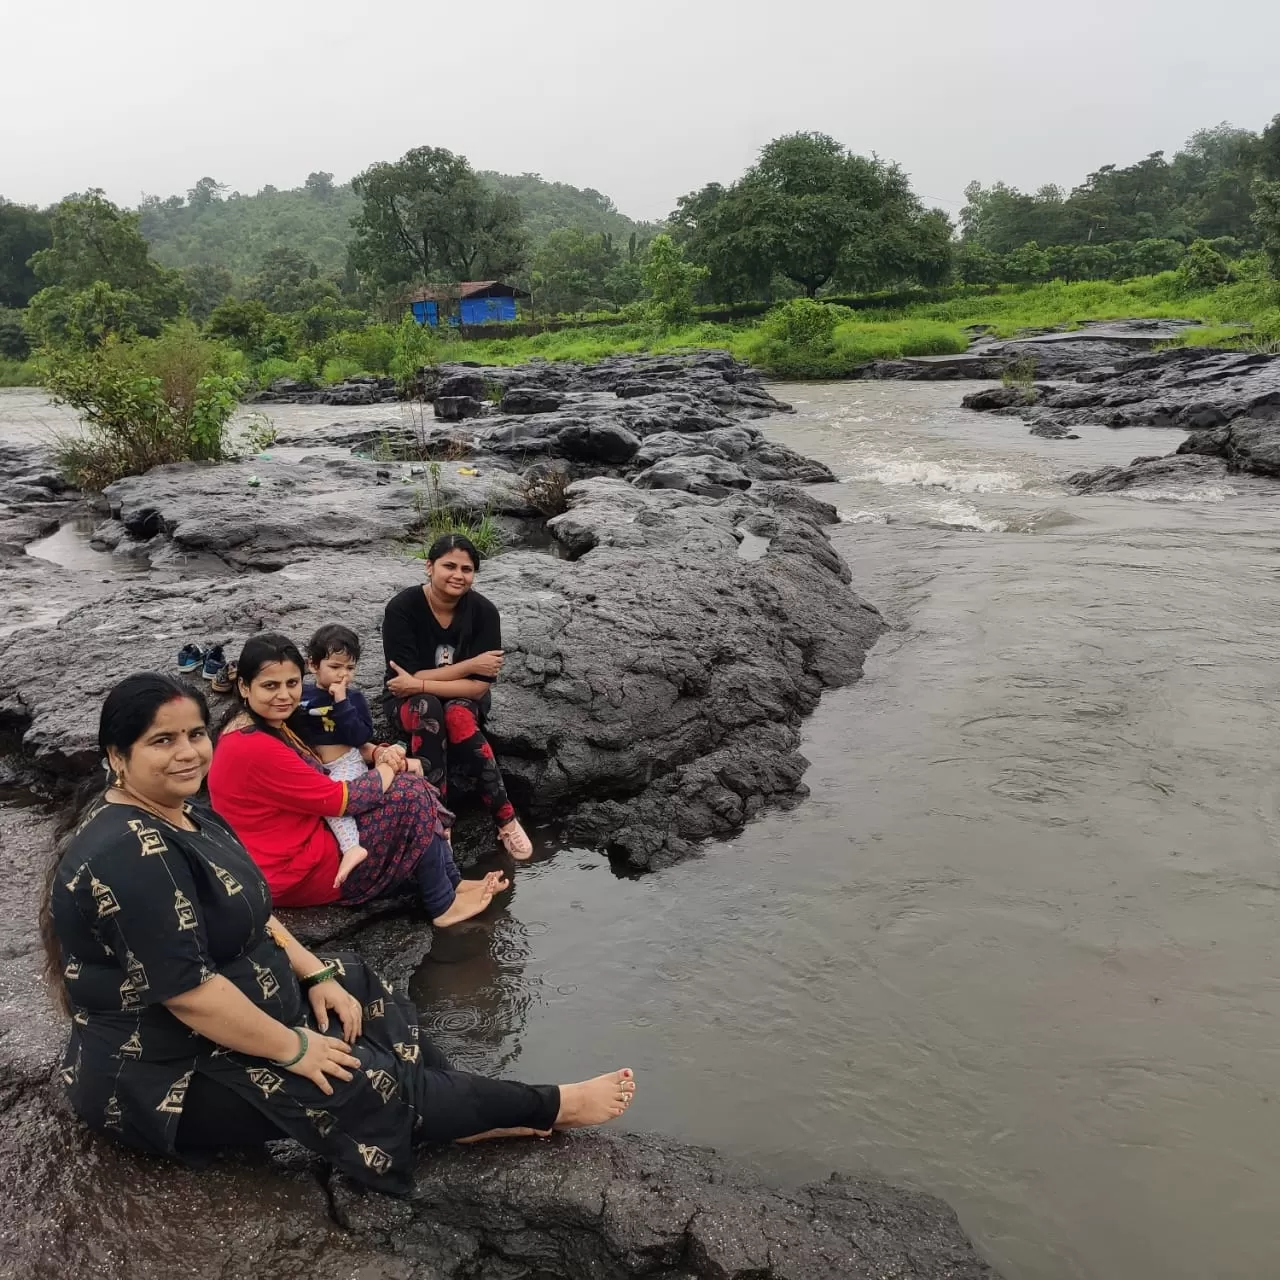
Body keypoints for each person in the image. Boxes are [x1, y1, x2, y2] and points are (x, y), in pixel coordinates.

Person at [40, 672, 637, 1193]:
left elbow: (256, 913)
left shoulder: (188, 811)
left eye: (196, 735)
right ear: (117, 755)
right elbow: (190, 995)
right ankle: (550, 1104)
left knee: (355, 982)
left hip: (238, 1009)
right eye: (162, 741)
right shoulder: (128, 852)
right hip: (168, 1069)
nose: (189, 753)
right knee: (358, 1079)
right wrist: (295, 1048)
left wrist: (314, 972)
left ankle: (452, 1107)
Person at [207, 633, 503, 927]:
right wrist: (388, 767)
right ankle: (443, 905)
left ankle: (452, 882)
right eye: (270, 686)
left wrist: (378, 754)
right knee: (409, 793)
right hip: (296, 871)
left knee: (408, 786)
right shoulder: (253, 747)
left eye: (292, 684)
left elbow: (326, 755)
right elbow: (340, 801)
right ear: (244, 687)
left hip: (296, 841)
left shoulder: (261, 723)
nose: (284, 695)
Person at [382, 533, 533, 861]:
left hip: (458, 700)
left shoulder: (483, 613)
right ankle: (438, 823)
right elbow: (401, 682)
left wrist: (421, 682)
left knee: (457, 714)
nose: (458, 575)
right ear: (429, 566)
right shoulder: (402, 609)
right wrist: (470, 666)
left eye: (466, 569)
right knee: (429, 709)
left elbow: (478, 688)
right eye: (448, 565)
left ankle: (505, 818)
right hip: (405, 704)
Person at [298, 622, 424, 891]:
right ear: (313, 665)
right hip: (316, 765)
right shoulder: (301, 696)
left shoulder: (353, 699)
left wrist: (341, 702)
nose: (343, 675)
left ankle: (352, 847)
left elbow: (359, 737)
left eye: (350, 668)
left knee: (334, 800)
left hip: (346, 762)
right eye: (335, 667)